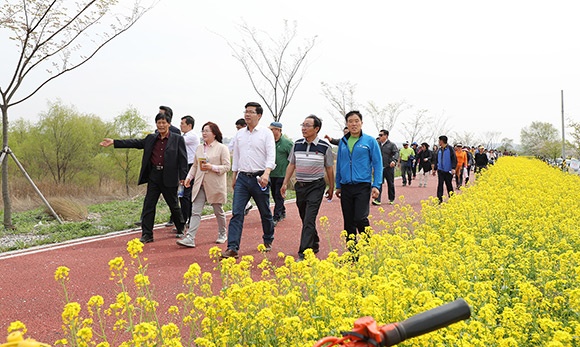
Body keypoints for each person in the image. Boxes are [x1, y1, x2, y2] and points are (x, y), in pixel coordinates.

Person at [100, 113, 188, 243]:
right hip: (154, 176)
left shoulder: (177, 139)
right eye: (159, 123)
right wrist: (114, 142)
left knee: (173, 205)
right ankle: (147, 234)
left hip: (169, 176)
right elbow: (135, 142)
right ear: (156, 124)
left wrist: (183, 177)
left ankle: (180, 227)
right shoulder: (151, 138)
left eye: (164, 123)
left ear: (169, 124)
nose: (161, 125)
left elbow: (183, 159)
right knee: (149, 205)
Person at [222, 102, 276, 259]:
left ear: (259, 115)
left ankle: (268, 239)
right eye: (246, 111)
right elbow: (237, 157)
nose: (247, 114)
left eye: (251, 112)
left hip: (260, 178)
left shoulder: (266, 133)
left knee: (265, 211)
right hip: (243, 179)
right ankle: (232, 247)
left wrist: (266, 173)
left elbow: (270, 155)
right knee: (237, 213)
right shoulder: (240, 134)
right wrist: (234, 176)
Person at [280, 115, 334, 260]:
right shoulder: (297, 144)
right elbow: (292, 164)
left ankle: (303, 252)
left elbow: (329, 168)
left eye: (307, 125)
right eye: (302, 125)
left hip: (316, 186)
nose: (304, 128)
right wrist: (285, 183)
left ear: (316, 129)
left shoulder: (324, 147)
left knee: (309, 218)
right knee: (305, 217)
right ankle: (314, 242)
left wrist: (332, 187)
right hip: (301, 186)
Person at [177, 122, 230, 248]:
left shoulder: (222, 148)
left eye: (207, 131)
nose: (204, 133)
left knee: (218, 210)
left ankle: (223, 233)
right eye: (203, 131)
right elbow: (195, 166)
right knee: (195, 211)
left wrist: (212, 167)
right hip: (200, 183)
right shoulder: (200, 148)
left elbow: (227, 167)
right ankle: (190, 237)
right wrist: (189, 178)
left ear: (214, 133)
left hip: (215, 185)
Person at [335, 111, 382, 245]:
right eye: (350, 121)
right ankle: (352, 253)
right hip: (346, 186)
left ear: (361, 123)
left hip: (362, 185)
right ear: (346, 124)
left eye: (356, 121)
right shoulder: (343, 142)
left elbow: (378, 164)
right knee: (348, 221)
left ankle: (367, 246)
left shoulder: (370, 141)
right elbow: (339, 164)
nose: (353, 124)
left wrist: (376, 185)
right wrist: (338, 185)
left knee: (360, 218)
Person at [269, 121, 293, 226]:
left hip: (282, 174)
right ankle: (282, 210)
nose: (270, 131)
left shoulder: (287, 143)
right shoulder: (269, 142)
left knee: (278, 195)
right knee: (274, 195)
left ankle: (276, 216)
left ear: (278, 130)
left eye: (272, 129)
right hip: (271, 174)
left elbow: (293, 158)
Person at [228, 118, 253, 216]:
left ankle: (247, 205)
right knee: (240, 190)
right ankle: (246, 205)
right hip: (240, 168)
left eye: (238, 128)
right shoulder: (238, 136)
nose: (237, 130)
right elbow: (230, 147)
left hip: (253, 170)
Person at [179, 115, 200, 228]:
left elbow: (177, 141)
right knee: (182, 194)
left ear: (189, 125)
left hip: (191, 166)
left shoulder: (191, 136)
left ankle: (188, 219)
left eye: (183, 123)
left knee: (186, 194)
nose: (181, 125)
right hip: (183, 167)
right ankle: (184, 218)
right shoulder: (184, 136)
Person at [373, 129, 399, 205]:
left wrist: (394, 161)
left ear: (386, 136)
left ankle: (391, 199)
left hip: (388, 167)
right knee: (378, 183)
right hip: (379, 168)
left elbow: (396, 153)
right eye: (379, 135)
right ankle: (377, 199)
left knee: (390, 183)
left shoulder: (391, 145)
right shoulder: (377, 144)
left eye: (381, 135)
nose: (379, 137)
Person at [431, 135, 457, 203]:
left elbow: (454, 159)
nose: (439, 142)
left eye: (439, 141)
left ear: (442, 141)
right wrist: (434, 169)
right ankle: (439, 199)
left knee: (449, 185)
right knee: (440, 185)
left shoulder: (450, 149)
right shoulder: (439, 150)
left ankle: (452, 198)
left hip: (448, 171)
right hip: (440, 170)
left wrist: (453, 168)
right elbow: (437, 160)